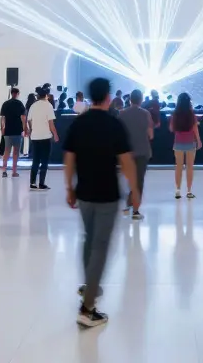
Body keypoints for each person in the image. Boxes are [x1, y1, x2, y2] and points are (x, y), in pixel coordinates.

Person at [63, 77, 139, 329]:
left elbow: (69, 158)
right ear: (108, 97)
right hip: (107, 193)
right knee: (100, 246)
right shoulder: (113, 124)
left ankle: (89, 285)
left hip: (84, 192)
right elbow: (126, 161)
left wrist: (69, 187)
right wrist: (134, 189)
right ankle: (87, 308)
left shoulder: (79, 123)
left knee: (89, 238)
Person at [118, 89, 152, 220]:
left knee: (129, 179)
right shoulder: (146, 114)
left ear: (130, 99)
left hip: (127, 152)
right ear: (141, 99)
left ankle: (128, 204)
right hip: (142, 151)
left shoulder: (122, 114)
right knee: (139, 180)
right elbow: (151, 134)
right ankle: (135, 210)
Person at [170, 92, 201, 198]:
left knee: (178, 167)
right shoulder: (191, 114)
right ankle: (188, 191)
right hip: (190, 143)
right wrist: (199, 141)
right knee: (189, 167)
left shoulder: (175, 113)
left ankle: (178, 190)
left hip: (178, 142)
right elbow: (195, 129)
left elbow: (171, 128)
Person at [27, 87, 58, 191]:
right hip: (45, 137)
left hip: (35, 137)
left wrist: (32, 129)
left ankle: (32, 182)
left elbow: (29, 121)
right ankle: (41, 183)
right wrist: (55, 134)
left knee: (35, 160)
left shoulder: (33, 106)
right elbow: (51, 123)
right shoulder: (48, 106)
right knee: (44, 161)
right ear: (46, 96)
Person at [0, 87, 25, 178]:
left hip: (7, 131)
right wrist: (25, 128)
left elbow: (2, 118)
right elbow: (23, 117)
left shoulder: (5, 104)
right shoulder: (20, 104)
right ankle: (14, 171)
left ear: (11, 93)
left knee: (6, 151)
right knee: (16, 151)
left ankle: (4, 170)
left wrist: (2, 128)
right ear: (17, 93)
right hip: (17, 130)